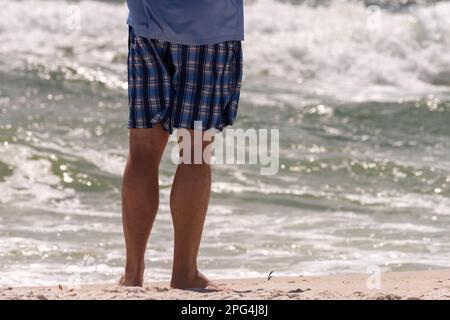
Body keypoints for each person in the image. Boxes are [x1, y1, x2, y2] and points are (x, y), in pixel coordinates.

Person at [120, 0, 244, 290]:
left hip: (147, 24)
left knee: (143, 152)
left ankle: (132, 273)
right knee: (194, 152)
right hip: (209, 28)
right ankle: (184, 272)